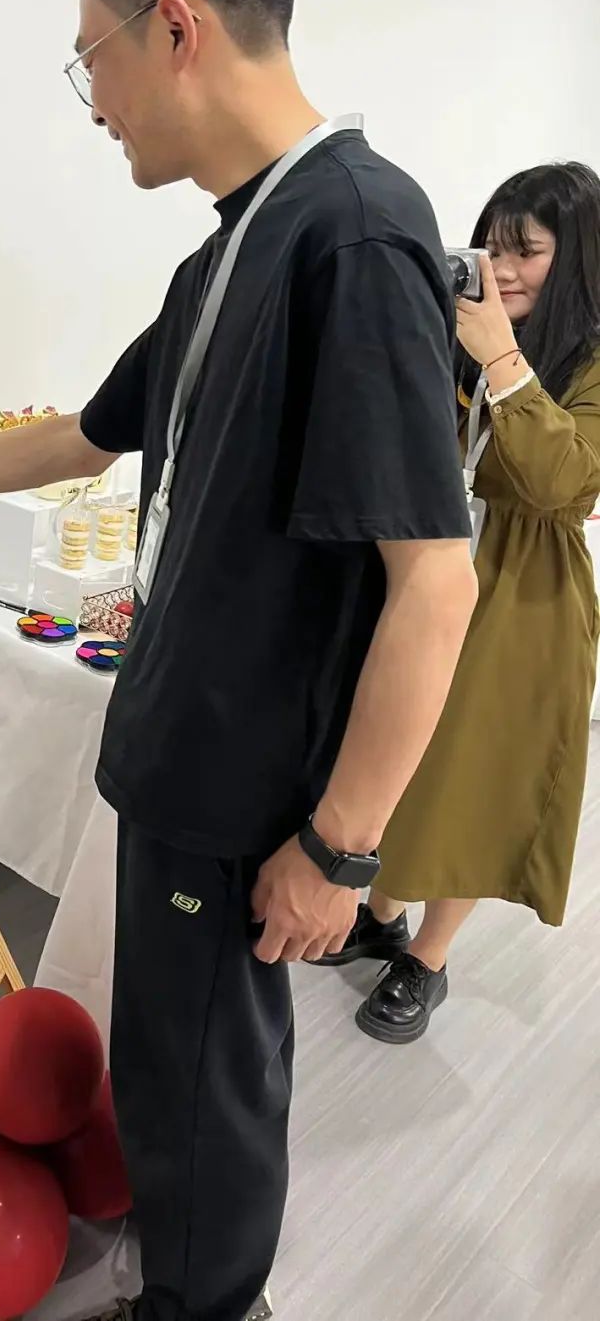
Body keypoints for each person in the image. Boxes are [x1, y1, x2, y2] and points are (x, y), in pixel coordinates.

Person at [0, 0, 478, 1317]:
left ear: (174, 29)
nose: (93, 103)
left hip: (246, 802)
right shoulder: (225, 251)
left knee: (212, 1093)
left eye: (89, 59)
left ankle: (206, 1305)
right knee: (166, 1069)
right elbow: (84, 436)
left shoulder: (356, 235)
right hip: (173, 760)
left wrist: (340, 848)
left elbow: (435, 577)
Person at [315, 161, 600, 1045]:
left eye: (528, 251)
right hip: (425, 569)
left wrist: (503, 360)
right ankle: (382, 913)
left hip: (524, 594)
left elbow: (564, 484)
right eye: (492, 247)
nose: (502, 269)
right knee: (402, 746)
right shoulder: (457, 330)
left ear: (576, 257)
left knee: (477, 775)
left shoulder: (586, 358)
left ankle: (428, 957)